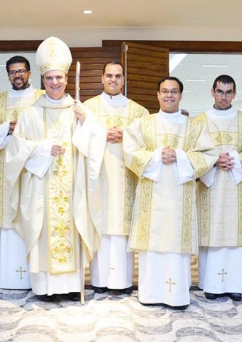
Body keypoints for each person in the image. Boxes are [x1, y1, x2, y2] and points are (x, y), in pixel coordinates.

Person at [4, 37, 106, 301]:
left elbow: (93, 147)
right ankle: (46, 288)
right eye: (49, 78)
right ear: (42, 79)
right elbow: (16, 151)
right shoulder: (30, 114)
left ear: (67, 76)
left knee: (71, 227)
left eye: (59, 77)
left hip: (73, 187)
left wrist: (87, 123)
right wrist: (42, 149)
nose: (55, 83)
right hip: (40, 188)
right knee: (44, 232)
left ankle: (72, 287)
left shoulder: (78, 110)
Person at [123, 76, 217, 310]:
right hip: (151, 196)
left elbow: (208, 154)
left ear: (181, 96)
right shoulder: (144, 124)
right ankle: (150, 294)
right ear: (157, 95)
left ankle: (176, 296)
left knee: (176, 245)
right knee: (152, 245)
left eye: (174, 92)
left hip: (180, 198)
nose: (169, 96)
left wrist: (180, 156)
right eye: (164, 91)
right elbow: (129, 151)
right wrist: (156, 156)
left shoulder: (194, 126)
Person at [83, 61, 149, 294]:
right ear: (102, 78)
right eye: (109, 76)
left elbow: (146, 145)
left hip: (125, 181)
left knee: (121, 229)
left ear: (124, 79)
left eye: (118, 76)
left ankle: (122, 282)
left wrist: (127, 136)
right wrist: (102, 135)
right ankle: (99, 281)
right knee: (100, 225)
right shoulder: (87, 108)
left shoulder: (139, 112)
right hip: (98, 178)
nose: (113, 80)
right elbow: (77, 139)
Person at [196, 75, 242, 302]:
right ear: (212, 92)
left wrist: (233, 159)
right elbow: (194, 153)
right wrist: (213, 161)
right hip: (209, 186)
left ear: (235, 93)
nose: (224, 96)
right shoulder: (199, 121)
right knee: (212, 234)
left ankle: (233, 284)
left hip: (235, 184)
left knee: (233, 234)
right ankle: (211, 284)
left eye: (228, 92)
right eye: (220, 91)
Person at [0, 56, 45, 289]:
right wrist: (5, 129)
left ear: (29, 73)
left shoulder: (42, 98)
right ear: (8, 75)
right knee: (7, 219)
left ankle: (36, 276)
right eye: (12, 72)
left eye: (21, 71)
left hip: (33, 170)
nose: (17, 76)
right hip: (5, 170)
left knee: (32, 216)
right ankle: (7, 275)